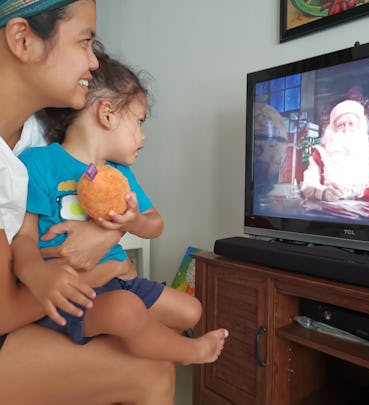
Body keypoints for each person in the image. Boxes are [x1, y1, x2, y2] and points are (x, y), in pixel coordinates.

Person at [0, 1, 172, 403]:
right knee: (153, 373)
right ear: (22, 39)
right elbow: (5, 310)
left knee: (150, 345)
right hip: (12, 316)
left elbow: (137, 215)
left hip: (34, 307)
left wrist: (102, 233)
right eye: (85, 42)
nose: (95, 63)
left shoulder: (41, 139)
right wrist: (102, 267)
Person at [13, 46, 229, 361]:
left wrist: (131, 222)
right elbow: (25, 237)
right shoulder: (40, 163)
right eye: (139, 122)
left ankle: (127, 333)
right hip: (74, 289)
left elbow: (155, 223)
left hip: (119, 278)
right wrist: (36, 272)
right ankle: (191, 351)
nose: (142, 137)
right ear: (107, 114)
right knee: (127, 311)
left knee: (191, 310)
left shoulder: (119, 174)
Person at [301, 99, 369, 202]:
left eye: (351, 124)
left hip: (365, 216)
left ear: (359, 127)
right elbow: (307, 186)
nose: (346, 129)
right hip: (329, 216)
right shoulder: (320, 154)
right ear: (333, 129)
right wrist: (323, 193)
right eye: (341, 125)